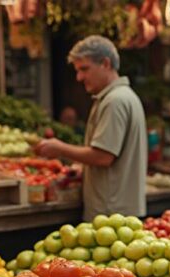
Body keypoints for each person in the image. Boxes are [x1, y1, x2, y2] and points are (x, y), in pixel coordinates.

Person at [35, 35, 146, 220]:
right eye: (77, 71)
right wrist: (84, 169)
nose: (79, 77)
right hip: (118, 214)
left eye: (84, 69)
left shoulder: (114, 101)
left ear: (105, 63)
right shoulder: (122, 96)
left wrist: (59, 148)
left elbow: (103, 157)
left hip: (112, 217)